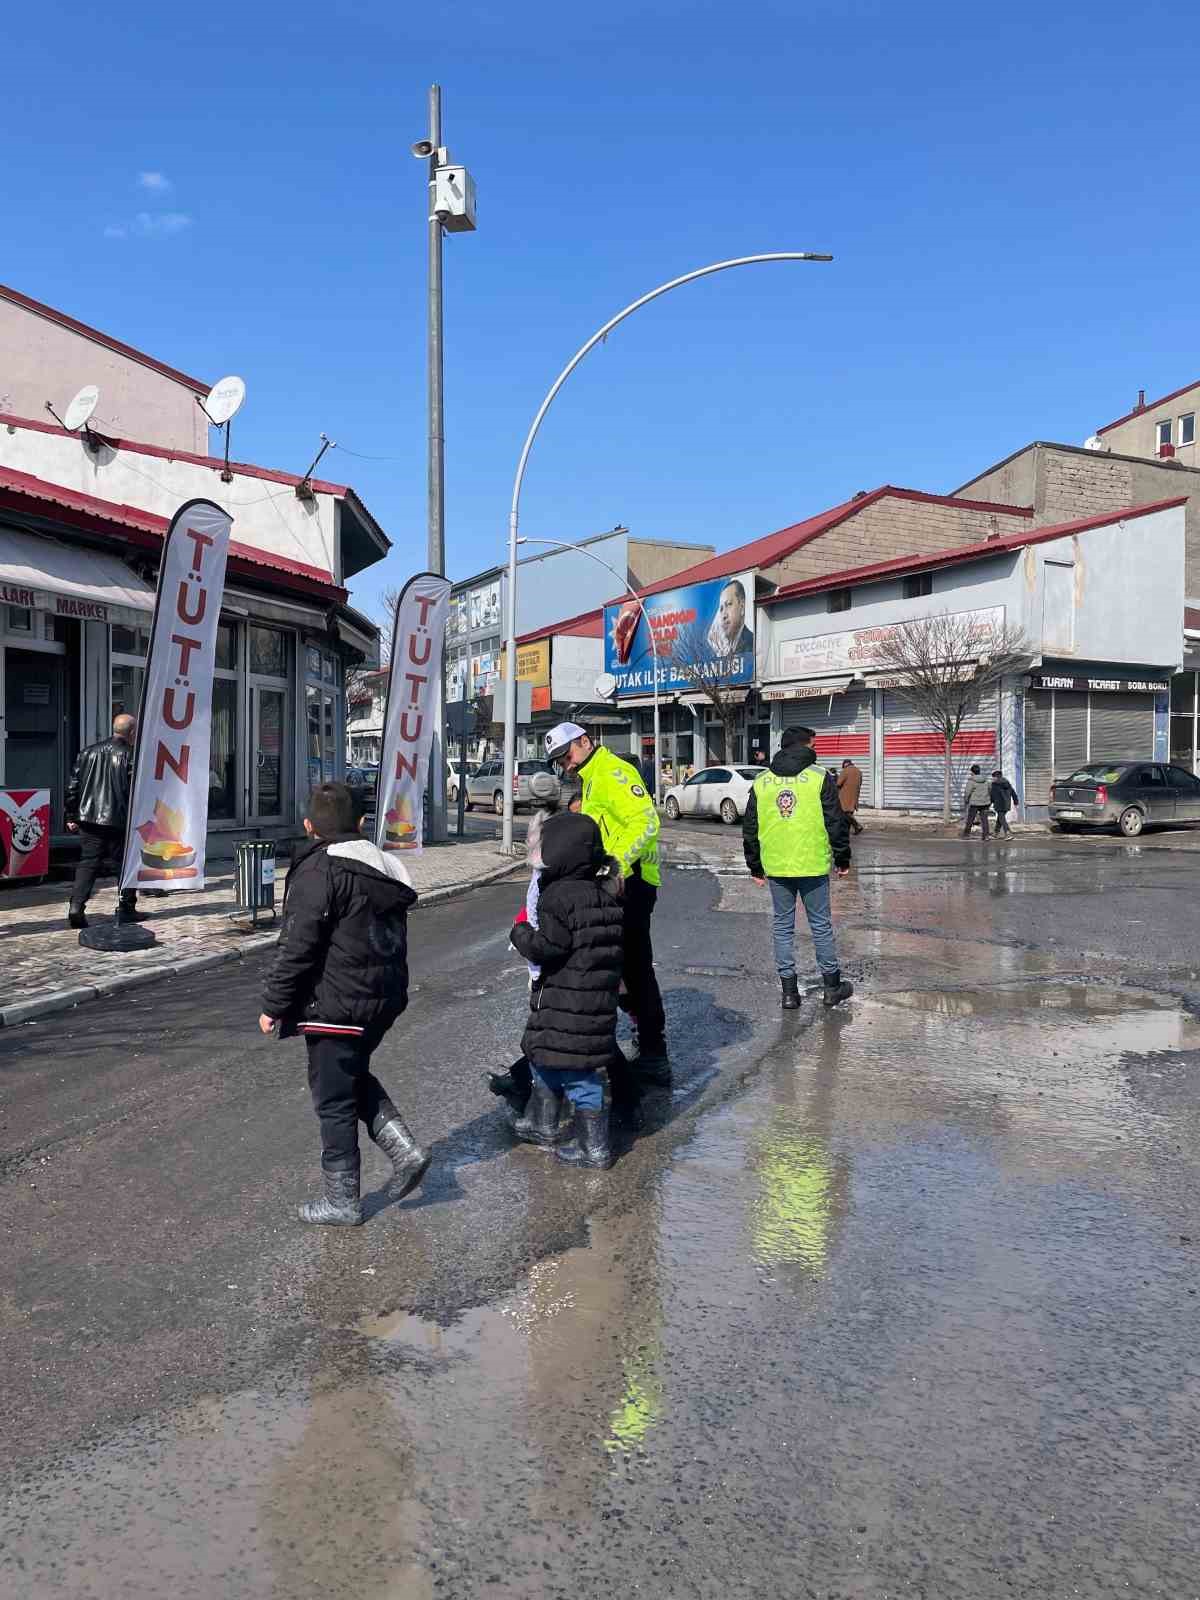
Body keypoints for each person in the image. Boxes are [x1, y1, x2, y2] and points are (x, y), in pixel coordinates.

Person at [258, 782, 428, 1227]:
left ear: (309, 826)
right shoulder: (384, 867)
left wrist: (274, 1004)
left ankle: (342, 1201)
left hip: (335, 1003)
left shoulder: (319, 870)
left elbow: (298, 943)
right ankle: (404, 1150)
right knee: (350, 1075)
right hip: (382, 999)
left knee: (332, 1098)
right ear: (360, 823)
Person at [544, 721, 666, 1103]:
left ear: (585, 741)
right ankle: (632, 1047)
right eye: (559, 760)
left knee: (631, 968)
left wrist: (615, 865)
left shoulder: (612, 772)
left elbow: (646, 821)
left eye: (568, 754)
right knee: (616, 968)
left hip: (631, 884)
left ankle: (653, 1053)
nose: (566, 764)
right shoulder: (591, 777)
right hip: (615, 885)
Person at [509, 811, 625, 1169]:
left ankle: (596, 1149)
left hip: (566, 997)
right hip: (592, 997)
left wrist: (522, 934)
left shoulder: (559, 897)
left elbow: (550, 947)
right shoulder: (603, 893)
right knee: (547, 1058)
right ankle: (541, 1123)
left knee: (578, 1075)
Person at [742, 725, 854, 1011]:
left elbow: (750, 826)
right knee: (820, 925)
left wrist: (755, 866)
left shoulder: (763, 780)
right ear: (806, 744)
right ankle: (832, 987)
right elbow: (835, 820)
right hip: (812, 863)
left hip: (777, 864)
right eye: (813, 743)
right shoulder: (819, 777)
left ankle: (789, 993)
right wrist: (842, 859)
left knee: (782, 925)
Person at [487, 769, 563, 1115]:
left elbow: (546, 926)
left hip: (555, 966)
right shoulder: (551, 833)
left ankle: (533, 1104)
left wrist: (523, 936)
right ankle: (521, 1086)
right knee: (560, 1032)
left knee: (547, 1034)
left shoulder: (562, 873)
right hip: (554, 962)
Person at [64, 712, 144, 929]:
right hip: (118, 820)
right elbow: (136, 791)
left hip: (88, 818)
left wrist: (71, 815)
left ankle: (76, 906)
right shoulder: (132, 755)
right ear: (133, 732)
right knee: (124, 865)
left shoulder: (87, 753)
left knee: (88, 863)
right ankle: (127, 908)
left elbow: (72, 788)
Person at [706, 578, 755, 658]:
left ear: (742, 607)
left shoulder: (752, 644)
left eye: (728, 604)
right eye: (721, 609)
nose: (724, 616)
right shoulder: (724, 649)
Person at [962, 765, 993, 838]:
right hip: (985, 803)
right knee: (984, 819)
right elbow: (990, 790)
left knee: (970, 819)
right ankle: (986, 836)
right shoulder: (986, 780)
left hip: (974, 803)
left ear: (972, 772)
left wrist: (966, 800)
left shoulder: (971, 781)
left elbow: (967, 792)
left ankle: (966, 835)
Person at [837, 758, 865, 835]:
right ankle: (851, 829)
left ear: (845, 764)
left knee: (845, 812)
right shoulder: (859, 771)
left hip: (845, 796)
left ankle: (857, 825)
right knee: (849, 812)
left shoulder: (845, 771)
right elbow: (860, 783)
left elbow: (838, 783)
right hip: (855, 795)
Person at [990, 769, 1020, 838]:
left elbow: (992, 795)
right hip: (1006, 804)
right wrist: (1016, 802)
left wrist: (988, 804)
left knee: (1002, 819)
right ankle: (996, 833)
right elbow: (1013, 793)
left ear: (996, 777)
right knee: (1000, 818)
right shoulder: (1007, 783)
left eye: (993, 777)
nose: (992, 779)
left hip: (999, 804)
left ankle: (1007, 832)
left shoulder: (995, 784)